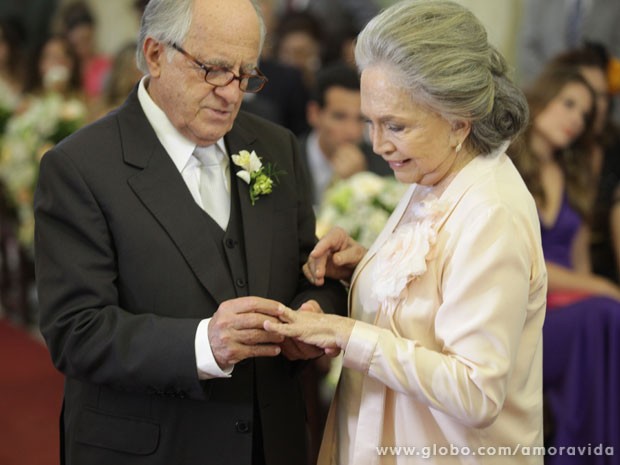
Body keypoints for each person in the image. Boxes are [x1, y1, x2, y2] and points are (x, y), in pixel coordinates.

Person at [34, 1, 347, 464]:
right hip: (152, 446)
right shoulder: (80, 167)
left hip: (271, 441)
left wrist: (313, 311)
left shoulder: (275, 147)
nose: (233, 94)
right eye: (215, 70)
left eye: (246, 75)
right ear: (155, 55)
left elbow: (309, 271)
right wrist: (204, 344)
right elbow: (76, 331)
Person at [261, 1, 547, 463]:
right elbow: (437, 294)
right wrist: (366, 264)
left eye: (395, 125)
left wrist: (347, 334)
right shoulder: (437, 172)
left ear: (458, 120)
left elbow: (476, 392)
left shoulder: (491, 211)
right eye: (371, 122)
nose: (377, 144)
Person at [510, 66, 620, 463]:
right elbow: (526, 265)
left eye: (585, 114)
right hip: (525, 312)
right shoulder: (506, 169)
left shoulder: (573, 176)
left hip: (576, 311)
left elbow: (580, 265)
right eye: (568, 104)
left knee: (605, 318)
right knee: (606, 312)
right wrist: (606, 290)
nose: (575, 119)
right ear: (541, 98)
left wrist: (599, 292)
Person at [547, 43, 620, 283]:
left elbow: (581, 260)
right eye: (570, 103)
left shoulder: (611, 147)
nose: (596, 106)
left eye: (601, 96)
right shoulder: (550, 155)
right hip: (549, 281)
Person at [301, 62, 391, 206]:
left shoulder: (385, 168)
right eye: (339, 117)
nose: (352, 131)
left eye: (361, 119)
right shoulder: (284, 159)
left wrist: (359, 183)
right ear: (314, 114)